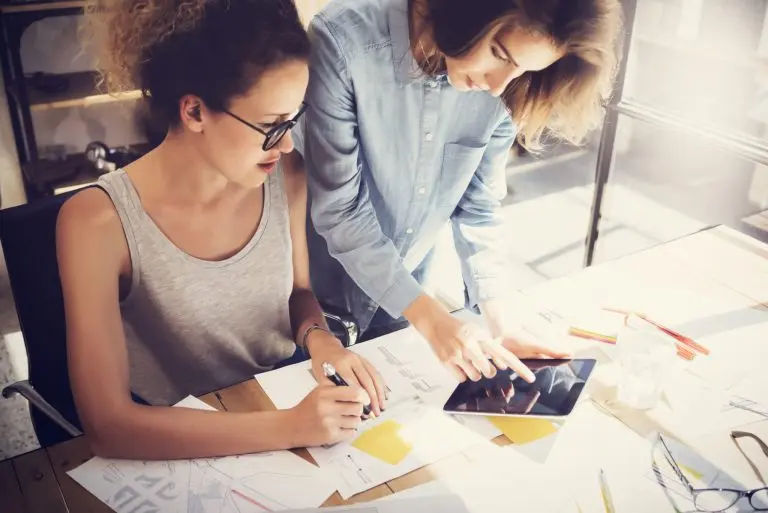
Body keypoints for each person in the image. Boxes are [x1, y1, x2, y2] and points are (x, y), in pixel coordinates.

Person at [57, 0, 386, 461]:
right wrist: (291, 427)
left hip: (279, 399)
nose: (288, 143)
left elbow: (297, 293)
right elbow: (109, 427)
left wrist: (321, 340)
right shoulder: (96, 221)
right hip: (176, 437)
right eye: (272, 126)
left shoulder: (284, 174)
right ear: (194, 112)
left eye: (293, 121)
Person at [289, 0, 622, 384]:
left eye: (523, 69)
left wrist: (501, 321)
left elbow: (479, 206)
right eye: (499, 54)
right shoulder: (344, 41)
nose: (498, 85)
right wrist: (433, 322)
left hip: (406, 302)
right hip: (312, 305)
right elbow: (341, 210)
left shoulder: (506, 88)